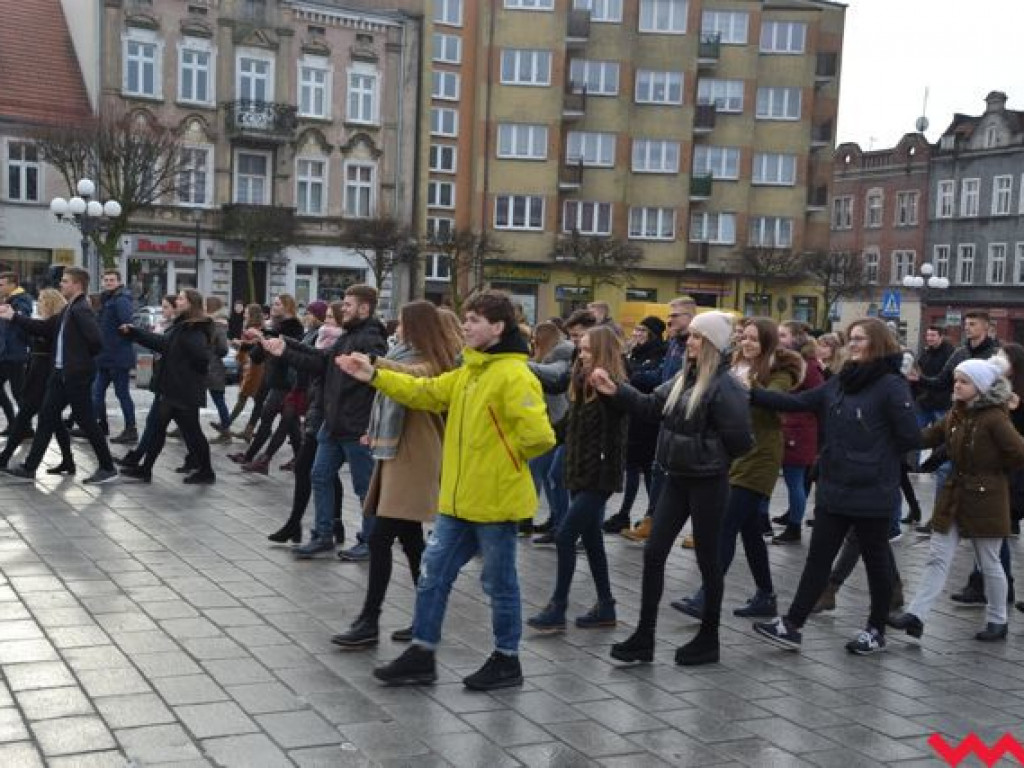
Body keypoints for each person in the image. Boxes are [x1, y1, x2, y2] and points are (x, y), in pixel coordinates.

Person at [336, 290, 555, 690]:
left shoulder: (514, 375)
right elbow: (425, 392)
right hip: (457, 502)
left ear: (498, 328)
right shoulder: (470, 373)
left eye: (474, 320)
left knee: (499, 583)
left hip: (495, 503)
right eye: (466, 318)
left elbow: (539, 437)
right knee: (433, 574)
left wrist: (500, 461)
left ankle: (507, 660)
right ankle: (422, 653)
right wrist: (375, 376)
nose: (465, 325)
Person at [591, 311, 753, 666]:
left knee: (708, 561)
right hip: (677, 477)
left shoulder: (726, 386)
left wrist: (705, 450)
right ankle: (644, 637)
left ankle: (708, 639)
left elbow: (742, 442)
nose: (688, 342)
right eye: (689, 336)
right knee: (653, 554)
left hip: (708, 481)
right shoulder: (686, 376)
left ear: (712, 343)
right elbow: (651, 406)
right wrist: (615, 390)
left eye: (696, 337)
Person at [751, 318, 920, 655]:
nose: (852, 344)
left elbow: (910, 437)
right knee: (818, 559)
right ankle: (792, 625)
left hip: (872, 489)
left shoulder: (891, 385)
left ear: (878, 343)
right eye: (850, 339)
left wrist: (872, 453)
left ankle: (875, 629)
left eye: (859, 339)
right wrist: (752, 393)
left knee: (876, 562)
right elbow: (800, 402)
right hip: (835, 486)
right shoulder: (843, 380)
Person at [330, 300, 461, 649]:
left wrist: (372, 364)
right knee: (412, 542)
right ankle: (424, 619)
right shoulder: (407, 353)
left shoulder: (433, 363)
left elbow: (411, 377)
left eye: (402, 322)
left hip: (414, 458)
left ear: (416, 326)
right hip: (397, 454)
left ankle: (370, 620)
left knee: (380, 537)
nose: (396, 328)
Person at [888, 355, 1023, 644]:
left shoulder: (995, 417)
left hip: (987, 498)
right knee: (937, 557)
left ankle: (998, 620)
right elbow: (928, 436)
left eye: (964, 382)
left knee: (989, 562)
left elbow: (1018, 452)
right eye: (956, 381)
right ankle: (917, 615)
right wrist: (897, 434)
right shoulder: (956, 413)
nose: (957, 386)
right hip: (954, 496)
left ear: (981, 386)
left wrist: (995, 473)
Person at [675, 317, 802, 620]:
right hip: (733, 454)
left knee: (725, 526)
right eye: (744, 337)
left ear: (768, 344)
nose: (747, 344)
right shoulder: (732, 365)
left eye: (754, 340)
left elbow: (777, 400)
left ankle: (706, 597)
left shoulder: (778, 370)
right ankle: (766, 596)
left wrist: (751, 387)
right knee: (750, 530)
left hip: (760, 457)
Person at [263, 285, 388, 559]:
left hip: (355, 426)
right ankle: (323, 535)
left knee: (364, 487)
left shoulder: (371, 340)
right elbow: (322, 362)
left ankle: (370, 540)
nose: (343, 309)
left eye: (348, 305)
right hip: (332, 425)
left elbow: (371, 380)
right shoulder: (348, 335)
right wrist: (285, 349)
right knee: (319, 476)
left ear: (365, 308)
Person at [527, 325, 628, 633]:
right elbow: (566, 428)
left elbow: (619, 417)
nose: (580, 355)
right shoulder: (582, 383)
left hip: (599, 477)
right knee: (593, 539)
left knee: (566, 535)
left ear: (602, 352)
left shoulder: (613, 386)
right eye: (579, 349)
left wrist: (606, 390)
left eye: (586, 350)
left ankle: (558, 607)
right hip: (580, 474)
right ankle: (606, 605)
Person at [0, 267, 117, 484]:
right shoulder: (69, 309)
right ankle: (29, 467)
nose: (61, 284)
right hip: (60, 375)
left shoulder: (81, 309)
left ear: (77, 285)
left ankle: (108, 467)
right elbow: (44, 328)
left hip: (74, 376)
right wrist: (14, 317)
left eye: (65, 281)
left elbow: (96, 342)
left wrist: (78, 363)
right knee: (46, 418)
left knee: (87, 422)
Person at [266, 303, 345, 545]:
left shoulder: (336, 343)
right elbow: (308, 357)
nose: (326, 322)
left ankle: (302, 525)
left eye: (332, 318)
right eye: (327, 317)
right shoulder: (320, 338)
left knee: (309, 469)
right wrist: (281, 343)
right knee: (321, 472)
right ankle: (329, 524)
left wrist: (285, 349)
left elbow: (314, 364)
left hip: (328, 414)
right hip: (316, 409)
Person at [118, 289, 216, 485]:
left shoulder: (194, 328)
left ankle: (206, 471)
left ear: (190, 304)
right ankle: (145, 469)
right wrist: (135, 333)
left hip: (183, 390)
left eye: (181, 298)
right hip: (172, 388)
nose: (177, 301)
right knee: (158, 428)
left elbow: (202, 358)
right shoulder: (182, 326)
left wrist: (187, 373)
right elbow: (162, 344)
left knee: (192, 433)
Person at [622, 296, 697, 542]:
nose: (669, 320)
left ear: (689, 317)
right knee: (658, 469)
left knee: (687, 476)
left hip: (685, 415)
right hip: (666, 412)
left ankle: (701, 528)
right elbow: (665, 376)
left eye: (674, 315)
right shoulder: (675, 343)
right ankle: (651, 521)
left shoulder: (694, 344)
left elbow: (683, 378)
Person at [603, 317, 667, 534]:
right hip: (634, 415)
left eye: (643, 330)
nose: (637, 334)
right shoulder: (634, 353)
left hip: (649, 418)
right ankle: (625, 513)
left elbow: (650, 379)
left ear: (653, 333)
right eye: (637, 329)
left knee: (649, 469)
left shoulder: (660, 352)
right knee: (631, 467)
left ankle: (653, 515)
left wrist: (634, 373)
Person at [0, 289, 74, 473]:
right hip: (37, 373)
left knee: (24, 416)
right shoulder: (45, 321)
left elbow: (39, 331)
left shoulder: (57, 322)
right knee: (54, 421)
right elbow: (29, 332)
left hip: (45, 376)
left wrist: (15, 316)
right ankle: (68, 461)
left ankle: (5, 457)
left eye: (41, 300)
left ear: (50, 302)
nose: (38, 303)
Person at [228, 295, 304, 467]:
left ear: (288, 307)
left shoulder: (294, 327)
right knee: (290, 425)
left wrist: (262, 336)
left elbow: (285, 350)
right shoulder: (274, 326)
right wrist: (259, 338)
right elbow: (257, 356)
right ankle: (298, 460)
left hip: (285, 381)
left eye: (277, 304)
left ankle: (257, 458)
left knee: (269, 418)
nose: (273, 307)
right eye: (273, 304)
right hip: (273, 378)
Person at [771, 321, 824, 544]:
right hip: (790, 427)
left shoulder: (809, 366)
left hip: (799, 431)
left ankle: (794, 527)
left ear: (795, 338)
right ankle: (792, 517)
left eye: (783, 335)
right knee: (794, 482)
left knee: (795, 482)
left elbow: (816, 397)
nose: (778, 339)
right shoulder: (793, 362)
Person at [113, 295, 177, 470]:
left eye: (165, 307)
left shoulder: (178, 328)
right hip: (165, 382)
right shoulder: (168, 327)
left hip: (174, 385)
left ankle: (203, 466)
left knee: (186, 429)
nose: (163, 311)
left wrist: (137, 332)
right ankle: (140, 460)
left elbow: (162, 346)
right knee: (154, 423)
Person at [525, 322, 573, 540]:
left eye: (536, 336)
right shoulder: (544, 353)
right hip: (549, 420)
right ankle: (555, 520)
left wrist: (520, 365)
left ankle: (558, 524)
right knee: (545, 473)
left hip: (557, 421)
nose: (533, 340)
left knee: (547, 473)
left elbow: (555, 375)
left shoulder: (563, 351)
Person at [88, 270, 137, 445]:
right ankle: (100, 425)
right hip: (105, 356)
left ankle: (131, 429)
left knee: (122, 393)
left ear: (119, 282)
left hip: (117, 356)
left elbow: (127, 324)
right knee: (96, 392)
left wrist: (124, 331)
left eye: (112, 280)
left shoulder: (121, 299)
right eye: (106, 280)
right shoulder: (107, 299)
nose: (108, 282)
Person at [221, 304, 266, 440]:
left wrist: (238, 343)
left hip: (253, 368)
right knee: (257, 401)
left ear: (252, 315)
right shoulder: (256, 329)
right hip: (252, 367)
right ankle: (248, 430)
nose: (244, 315)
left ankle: (226, 425)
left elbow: (252, 346)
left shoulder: (252, 330)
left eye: (246, 312)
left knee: (245, 398)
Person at [0, 271, 32, 435]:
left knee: (19, 393)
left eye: (1, 284)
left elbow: (23, 317)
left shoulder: (21, 300)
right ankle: (17, 425)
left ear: (12, 285)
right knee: (18, 392)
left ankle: (24, 427)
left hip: (15, 354)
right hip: (6, 354)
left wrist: (14, 313)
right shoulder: (7, 300)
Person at [204, 296, 232, 443]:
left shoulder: (218, 325)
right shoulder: (212, 324)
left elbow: (223, 349)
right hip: (209, 367)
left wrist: (212, 352)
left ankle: (226, 431)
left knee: (218, 399)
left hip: (213, 368)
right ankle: (225, 428)